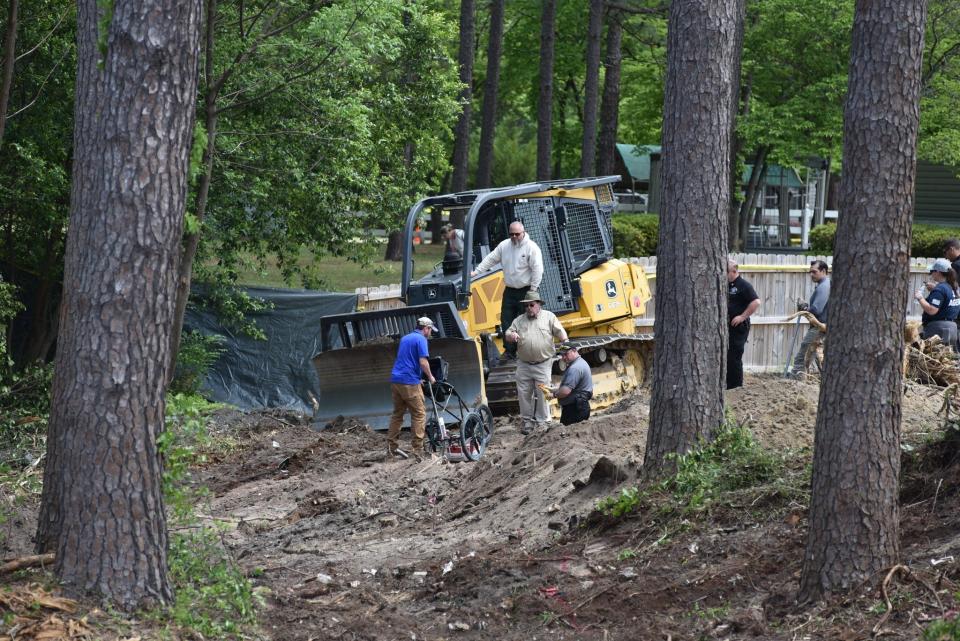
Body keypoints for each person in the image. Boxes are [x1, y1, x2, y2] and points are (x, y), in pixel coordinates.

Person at [471, 221, 544, 360]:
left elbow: (538, 270)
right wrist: (477, 271)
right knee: (506, 320)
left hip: (527, 289)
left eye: (517, 234)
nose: (515, 237)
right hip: (510, 290)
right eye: (512, 234)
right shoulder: (504, 246)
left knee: (527, 321)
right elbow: (491, 259)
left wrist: (533, 290)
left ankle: (527, 351)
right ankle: (509, 351)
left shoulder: (532, 247)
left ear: (523, 232)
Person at [505, 290, 567, 434]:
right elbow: (508, 334)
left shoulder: (549, 317)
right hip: (524, 364)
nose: (528, 308)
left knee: (543, 392)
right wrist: (511, 335)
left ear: (539, 305)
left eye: (531, 305)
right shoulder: (519, 320)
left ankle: (542, 421)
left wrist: (566, 342)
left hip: (543, 363)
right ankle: (527, 422)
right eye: (526, 306)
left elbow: (559, 331)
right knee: (524, 394)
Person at [387, 316, 437, 459]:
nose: (430, 333)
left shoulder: (405, 338)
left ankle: (391, 449)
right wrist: (431, 377)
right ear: (426, 328)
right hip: (409, 382)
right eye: (430, 330)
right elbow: (422, 361)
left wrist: (418, 378)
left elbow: (406, 360)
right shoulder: (421, 340)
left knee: (397, 414)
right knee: (419, 414)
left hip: (396, 380)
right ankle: (418, 450)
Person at [789, 260, 831, 377]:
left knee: (802, 356)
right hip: (822, 327)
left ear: (823, 271)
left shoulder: (824, 287)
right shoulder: (825, 284)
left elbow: (817, 309)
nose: (811, 274)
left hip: (818, 327)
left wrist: (805, 307)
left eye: (814, 272)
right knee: (817, 357)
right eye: (810, 272)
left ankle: (796, 380)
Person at [727, 259, 760, 390]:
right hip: (727, 327)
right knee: (727, 356)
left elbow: (756, 302)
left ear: (734, 271)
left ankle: (736, 387)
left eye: (726, 271)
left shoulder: (743, 285)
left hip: (739, 327)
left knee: (734, 356)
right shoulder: (726, 284)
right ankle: (727, 384)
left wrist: (742, 316)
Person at [915, 258, 960, 351]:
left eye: (932, 271)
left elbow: (932, 310)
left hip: (938, 330)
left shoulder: (940, 289)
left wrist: (920, 298)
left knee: (932, 362)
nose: (931, 274)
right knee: (949, 361)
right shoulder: (953, 287)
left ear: (938, 272)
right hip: (952, 328)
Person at [550, 343, 593, 426]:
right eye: (562, 355)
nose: (564, 357)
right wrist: (555, 389)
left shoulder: (575, 368)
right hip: (578, 406)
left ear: (574, 351)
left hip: (575, 409)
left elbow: (565, 391)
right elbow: (574, 387)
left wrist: (553, 395)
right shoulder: (580, 363)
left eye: (566, 354)